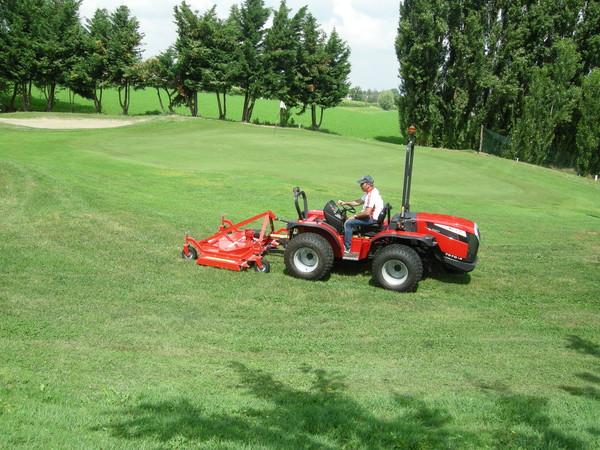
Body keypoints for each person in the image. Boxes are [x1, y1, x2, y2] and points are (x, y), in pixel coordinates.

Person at [338, 175, 384, 255]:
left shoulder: (371, 195)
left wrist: (354, 216)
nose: (360, 185)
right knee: (352, 221)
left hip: (372, 219)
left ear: (368, 184)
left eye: (362, 184)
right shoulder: (370, 192)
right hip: (372, 217)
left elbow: (367, 212)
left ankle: (347, 248)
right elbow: (359, 201)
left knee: (348, 223)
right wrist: (345, 203)